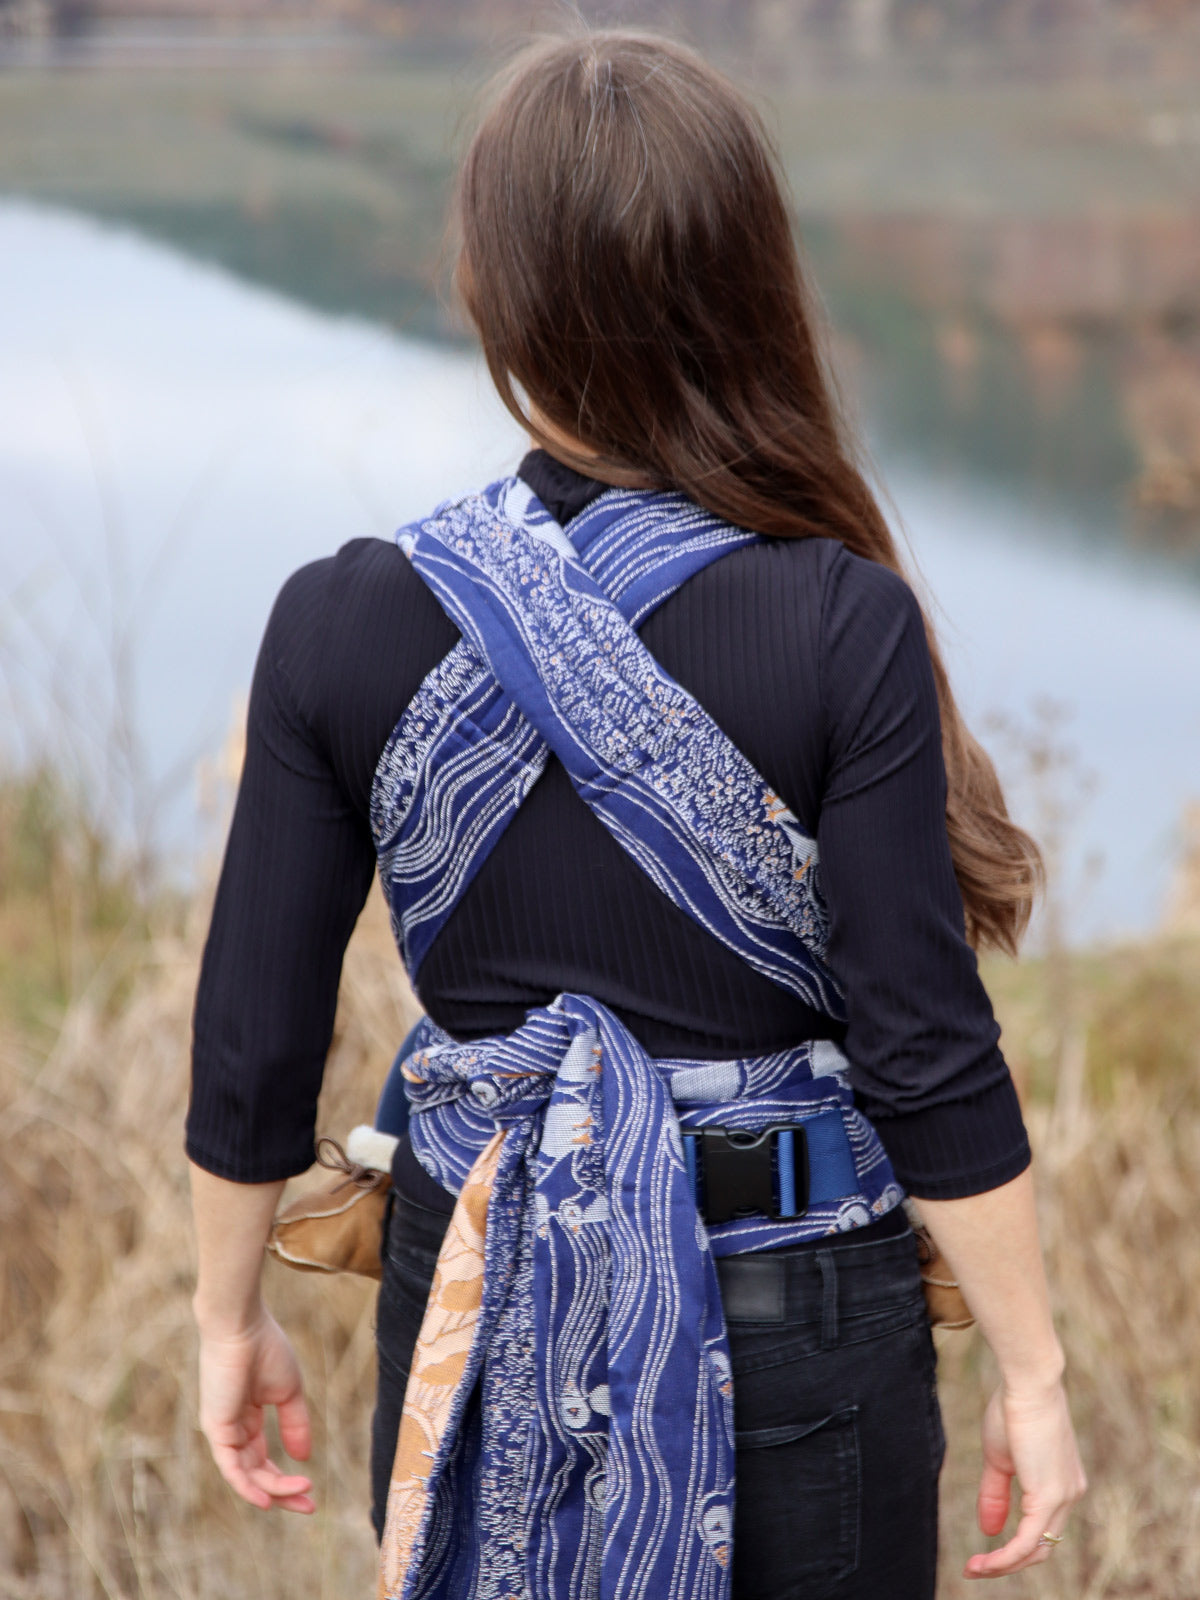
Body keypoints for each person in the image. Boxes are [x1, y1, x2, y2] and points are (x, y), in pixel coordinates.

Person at [186, 28, 1086, 1600]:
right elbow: (925, 1046)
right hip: (797, 1300)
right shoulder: (838, 618)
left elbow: (253, 1034)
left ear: (489, 282)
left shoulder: (340, 620)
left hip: (472, 1280)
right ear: (747, 276)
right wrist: (1034, 1372)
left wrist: (224, 1317)